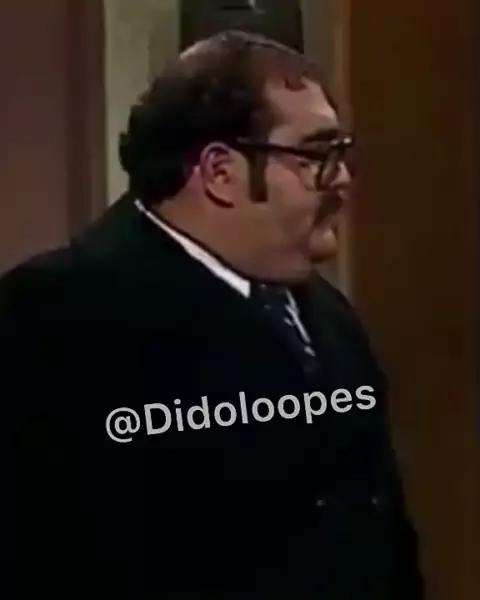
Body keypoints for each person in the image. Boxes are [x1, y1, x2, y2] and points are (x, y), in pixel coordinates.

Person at [2, 31, 423, 600]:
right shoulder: (54, 317)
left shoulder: (329, 319)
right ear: (221, 171)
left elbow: (382, 536)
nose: (342, 179)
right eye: (316, 156)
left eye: (341, 153)